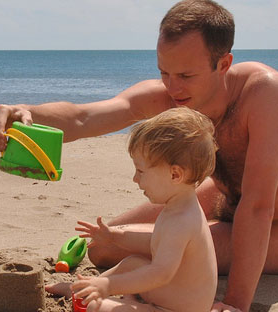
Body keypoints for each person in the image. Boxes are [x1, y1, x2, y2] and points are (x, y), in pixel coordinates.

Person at [0, 1, 278, 311]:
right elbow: (85, 117)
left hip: (276, 227)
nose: (172, 87)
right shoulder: (175, 94)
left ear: (223, 64)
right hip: (218, 198)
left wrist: (236, 303)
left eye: (185, 75)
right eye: (164, 72)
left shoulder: (263, 92)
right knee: (103, 249)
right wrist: (24, 113)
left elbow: (257, 205)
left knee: (171, 249)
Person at [47, 107, 219, 311]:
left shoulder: (182, 220)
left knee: (94, 307)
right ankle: (84, 288)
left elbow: (159, 274)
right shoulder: (180, 206)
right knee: (132, 263)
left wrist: (109, 285)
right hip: (166, 294)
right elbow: (155, 242)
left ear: (175, 175)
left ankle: (94, 293)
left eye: (141, 171)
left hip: (171, 309)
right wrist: (114, 237)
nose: (135, 179)